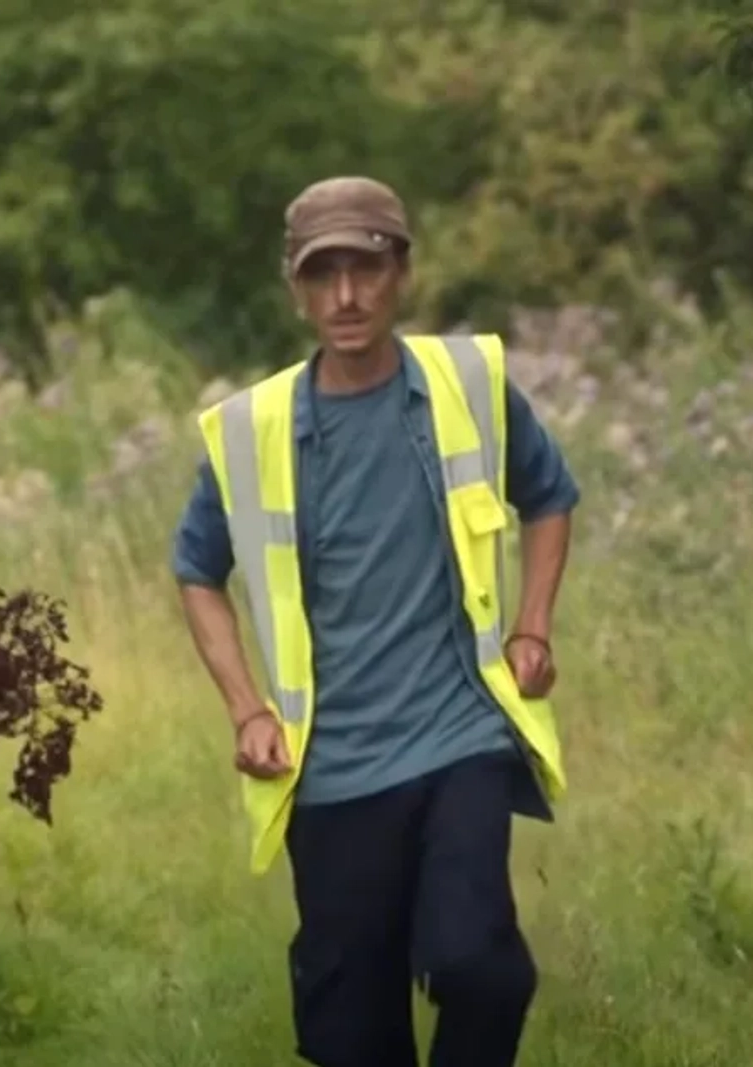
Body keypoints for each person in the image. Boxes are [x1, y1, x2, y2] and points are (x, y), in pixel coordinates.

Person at [169, 175, 582, 1067]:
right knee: (354, 1037)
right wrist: (246, 706)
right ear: (296, 286)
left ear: (403, 271)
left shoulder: (468, 384)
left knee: (479, 966)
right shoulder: (252, 430)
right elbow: (197, 570)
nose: (346, 297)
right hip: (332, 773)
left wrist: (534, 626)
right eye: (323, 276)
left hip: (459, 737)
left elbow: (549, 496)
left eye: (366, 269)